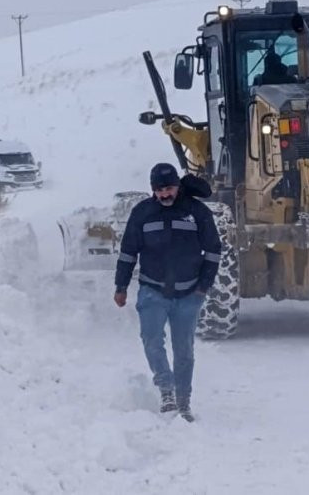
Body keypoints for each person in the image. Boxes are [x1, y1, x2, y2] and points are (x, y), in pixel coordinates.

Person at [113, 162, 221, 422]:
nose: (165, 195)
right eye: (159, 191)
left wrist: (203, 286)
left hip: (188, 294)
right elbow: (128, 252)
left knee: (183, 350)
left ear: (178, 186)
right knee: (151, 340)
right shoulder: (143, 213)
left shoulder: (196, 212)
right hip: (153, 291)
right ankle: (166, 389)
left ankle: (183, 401)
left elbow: (214, 250)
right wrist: (121, 286)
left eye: (169, 189)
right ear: (152, 190)